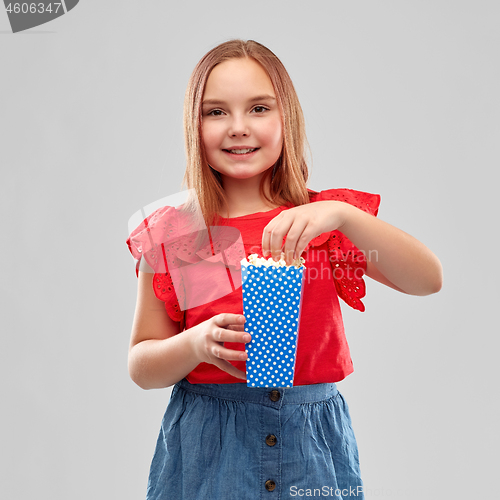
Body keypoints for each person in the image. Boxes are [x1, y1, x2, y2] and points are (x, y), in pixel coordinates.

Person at [126, 39, 443, 500]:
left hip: (310, 442)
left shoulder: (323, 221)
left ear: (286, 117)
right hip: (210, 447)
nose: (238, 128)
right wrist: (194, 344)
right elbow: (141, 364)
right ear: (193, 124)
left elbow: (428, 279)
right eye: (216, 112)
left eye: (258, 108)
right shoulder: (176, 234)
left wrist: (344, 215)